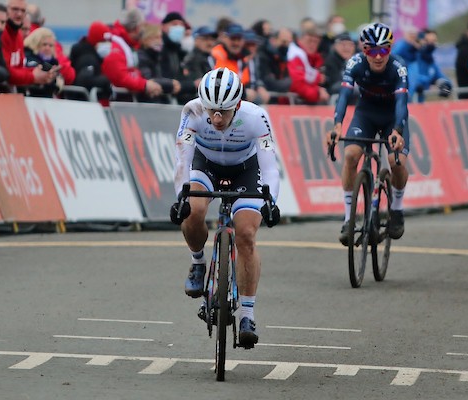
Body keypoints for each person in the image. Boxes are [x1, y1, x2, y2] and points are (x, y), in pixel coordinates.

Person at [171, 67, 280, 348]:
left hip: (245, 170)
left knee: (245, 234)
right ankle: (197, 263)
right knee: (193, 211)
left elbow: (269, 166)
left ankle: (247, 314)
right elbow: (183, 159)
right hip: (205, 166)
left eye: (224, 112)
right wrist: (180, 197)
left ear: (238, 105)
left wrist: (272, 202)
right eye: (212, 111)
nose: (217, 118)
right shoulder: (192, 112)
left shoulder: (256, 117)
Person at [327, 22, 410, 244]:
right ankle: (348, 219)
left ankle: (398, 209)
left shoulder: (398, 67)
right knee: (351, 155)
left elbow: (402, 102)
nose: (378, 56)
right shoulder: (353, 63)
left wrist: (398, 131)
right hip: (366, 114)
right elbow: (343, 96)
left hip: (393, 115)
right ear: (364, 50)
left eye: (384, 50)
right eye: (372, 50)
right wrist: (337, 125)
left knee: (395, 161)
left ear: (390, 49)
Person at [102, 8, 162, 99]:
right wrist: (145, 85)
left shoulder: (127, 45)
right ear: (137, 27)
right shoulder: (117, 47)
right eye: (142, 26)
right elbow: (120, 77)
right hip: (113, 104)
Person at [2, 0, 56, 88]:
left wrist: (39, 72)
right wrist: (33, 76)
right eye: (15, 9)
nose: (19, 14)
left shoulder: (18, 36)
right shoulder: (2, 34)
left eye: (23, 11)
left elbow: (19, 68)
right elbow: (7, 72)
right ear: (6, 11)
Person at [137, 23, 181, 103]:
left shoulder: (156, 57)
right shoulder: (142, 56)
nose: (160, 41)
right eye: (157, 37)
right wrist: (171, 84)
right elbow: (148, 80)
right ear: (146, 39)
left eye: (160, 37)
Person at [68, 20, 112, 101]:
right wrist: (105, 81)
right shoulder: (88, 58)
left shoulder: (91, 54)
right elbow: (84, 80)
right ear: (97, 41)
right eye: (104, 41)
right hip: (81, 103)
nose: (107, 45)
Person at [407, 29, 452, 103]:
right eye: (427, 40)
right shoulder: (411, 59)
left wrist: (445, 85)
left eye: (434, 41)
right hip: (407, 106)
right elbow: (412, 83)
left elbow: (440, 76)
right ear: (420, 41)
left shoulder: (430, 62)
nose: (431, 44)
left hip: (419, 106)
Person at [287, 27, 329, 104]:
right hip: (292, 102)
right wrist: (318, 92)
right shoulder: (295, 56)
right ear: (300, 40)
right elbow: (297, 84)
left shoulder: (315, 58)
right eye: (309, 41)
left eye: (315, 42)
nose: (312, 44)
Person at [324, 32, 356, 96]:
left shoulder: (357, 60)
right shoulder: (330, 61)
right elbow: (333, 85)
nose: (347, 48)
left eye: (350, 45)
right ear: (335, 46)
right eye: (343, 45)